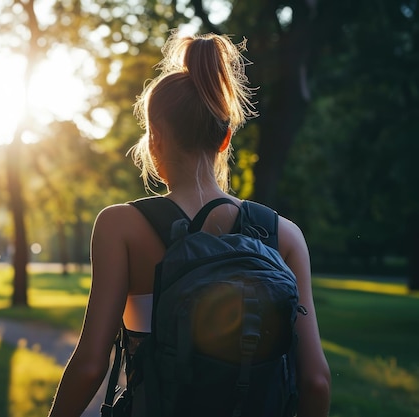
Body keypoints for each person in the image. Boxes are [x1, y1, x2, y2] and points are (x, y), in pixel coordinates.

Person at [48, 31, 331, 417]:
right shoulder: (284, 235)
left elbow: (91, 365)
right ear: (225, 138)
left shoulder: (122, 227)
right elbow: (315, 380)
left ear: (154, 141)